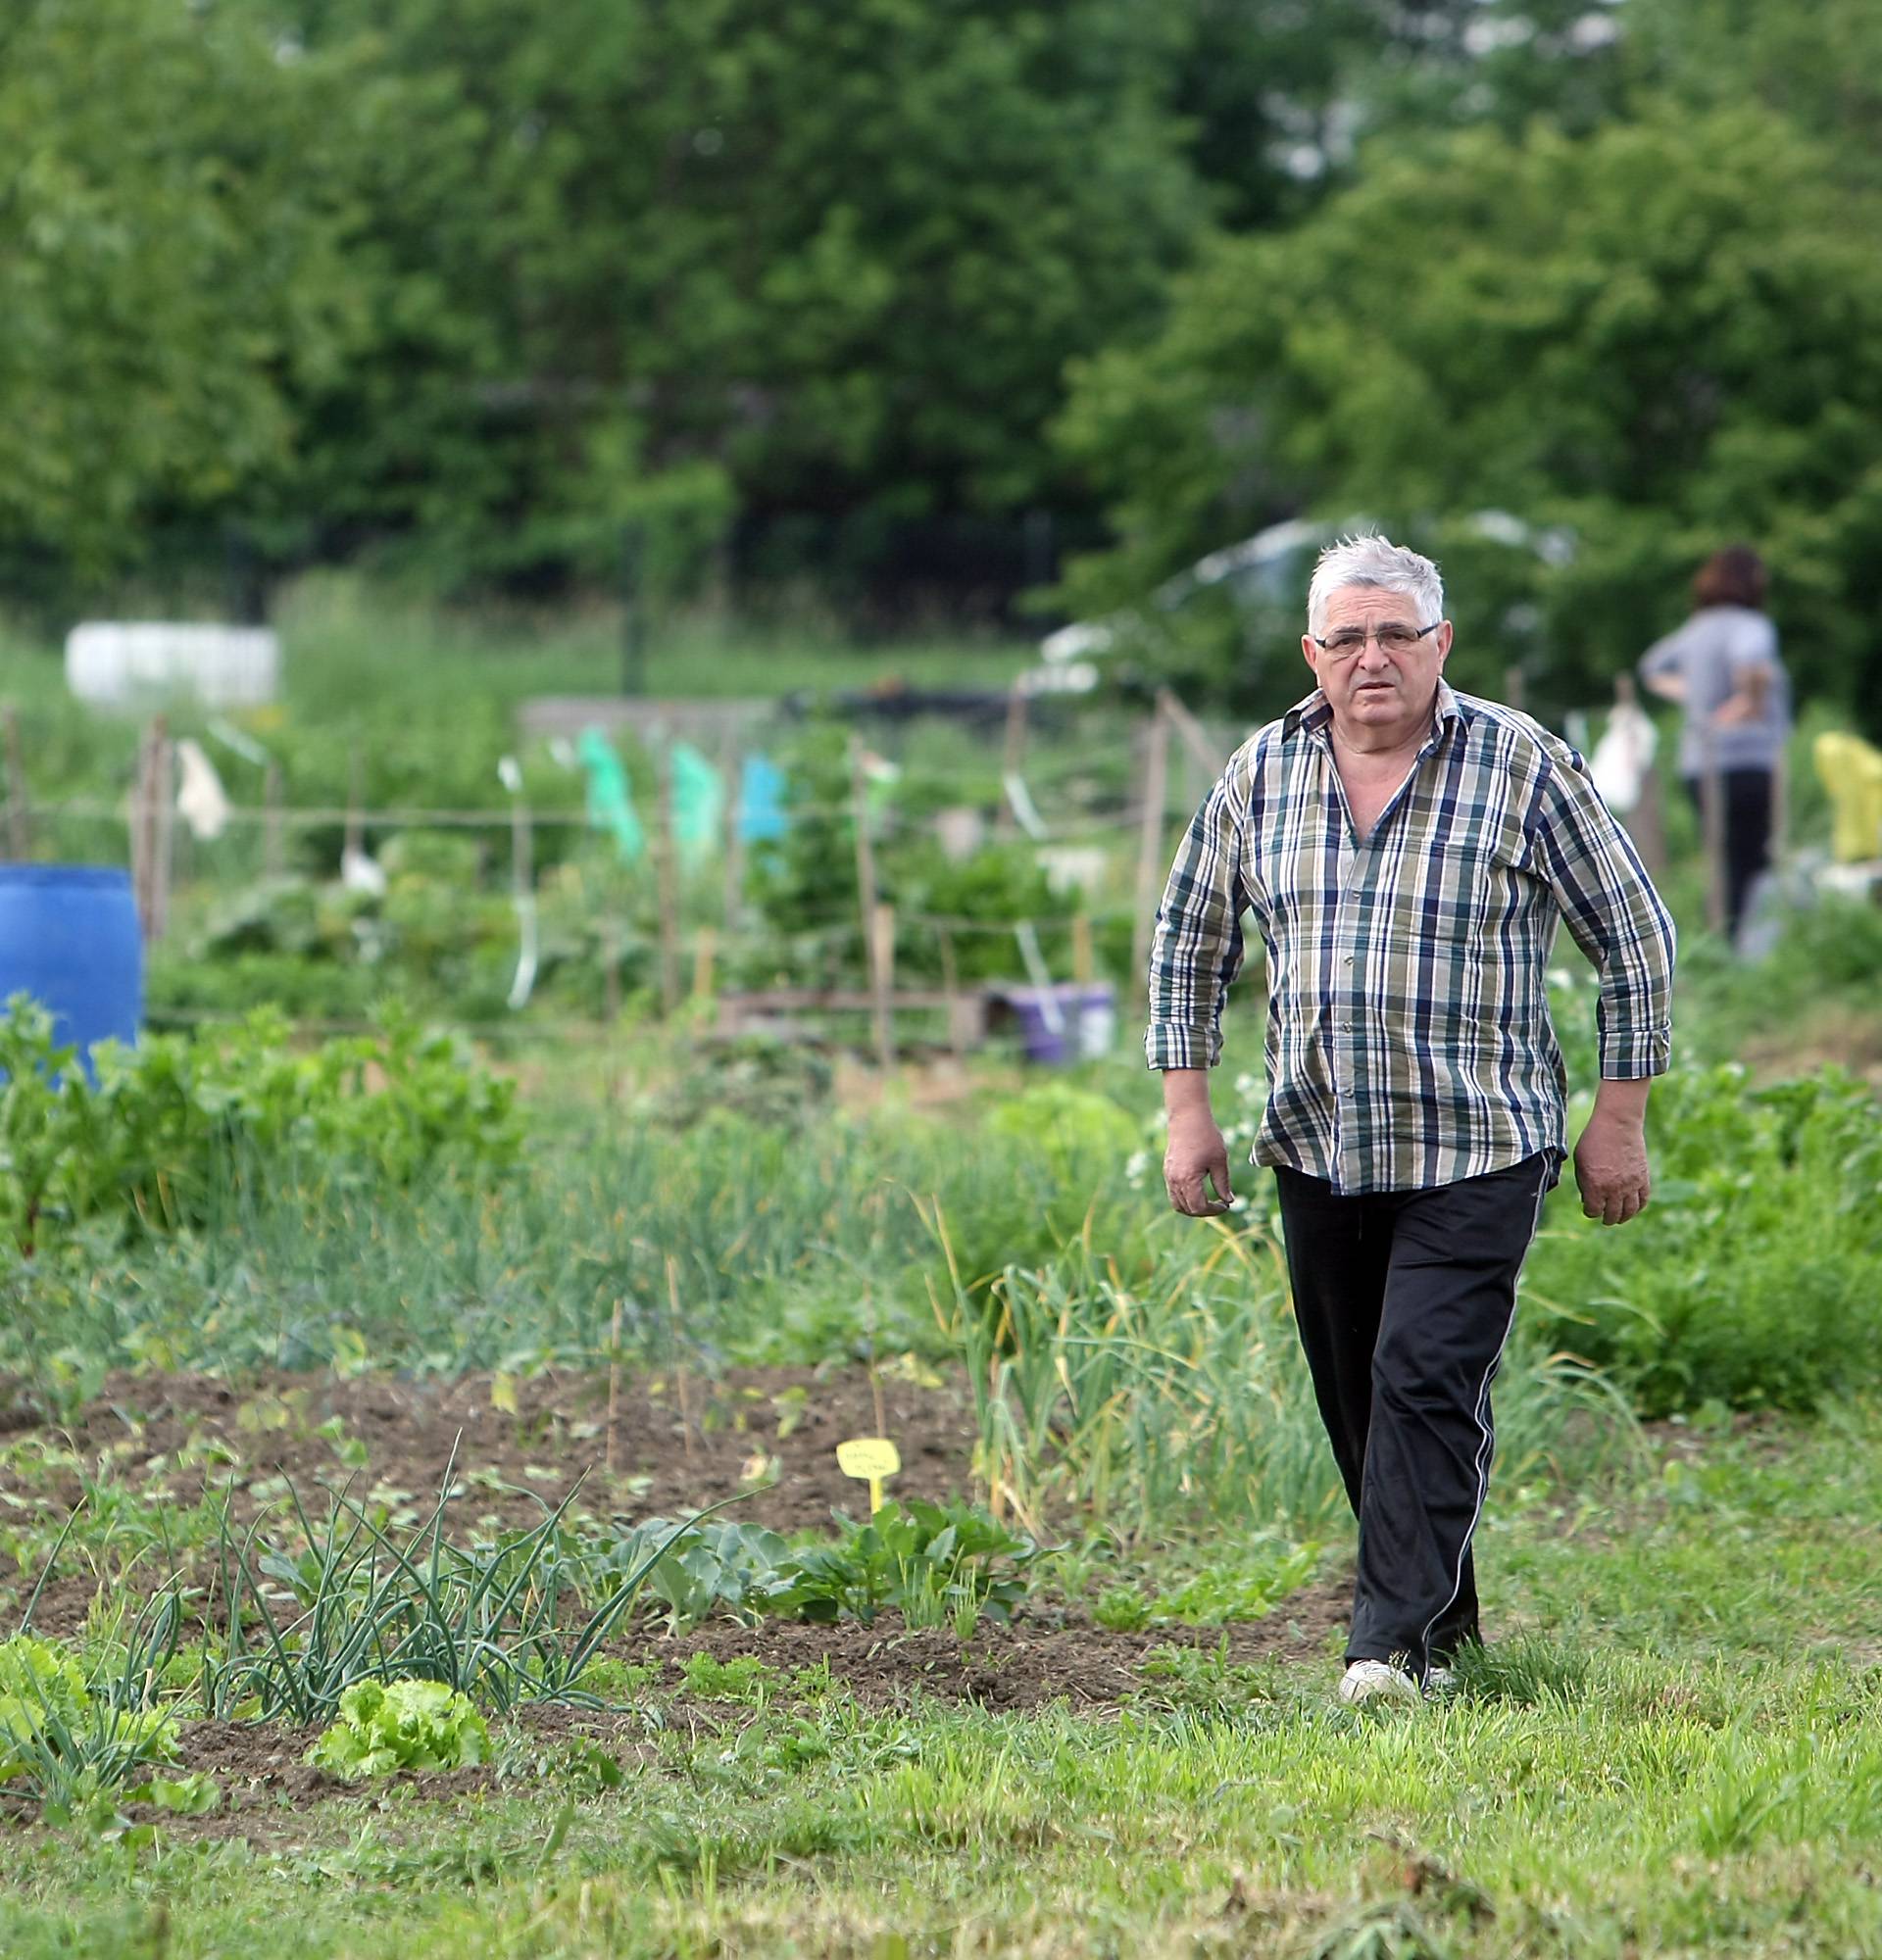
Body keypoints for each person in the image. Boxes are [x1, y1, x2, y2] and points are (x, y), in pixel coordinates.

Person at [1146, 535, 1675, 1705]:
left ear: (1441, 644)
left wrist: (1617, 1118)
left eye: (1397, 634)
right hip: (1319, 1139)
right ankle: (1447, 1627)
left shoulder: (1520, 764)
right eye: (1348, 638)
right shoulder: (1261, 771)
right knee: (1359, 1398)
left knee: (1423, 1374)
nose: (1372, 657)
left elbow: (1632, 938)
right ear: (1313, 654)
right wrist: (1188, 1113)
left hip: (1479, 1140)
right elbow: (1189, 943)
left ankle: (1384, 1652)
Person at [1638, 546, 1791, 945]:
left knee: (1722, 858)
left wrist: (1696, 700)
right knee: (1754, 859)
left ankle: (1720, 940)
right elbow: (1752, 663)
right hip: (1747, 760)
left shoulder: (1695, 630)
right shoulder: (1750, 625)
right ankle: (1742, 947)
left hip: (1698, 763)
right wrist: (1744, 705)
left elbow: (1652, 668)